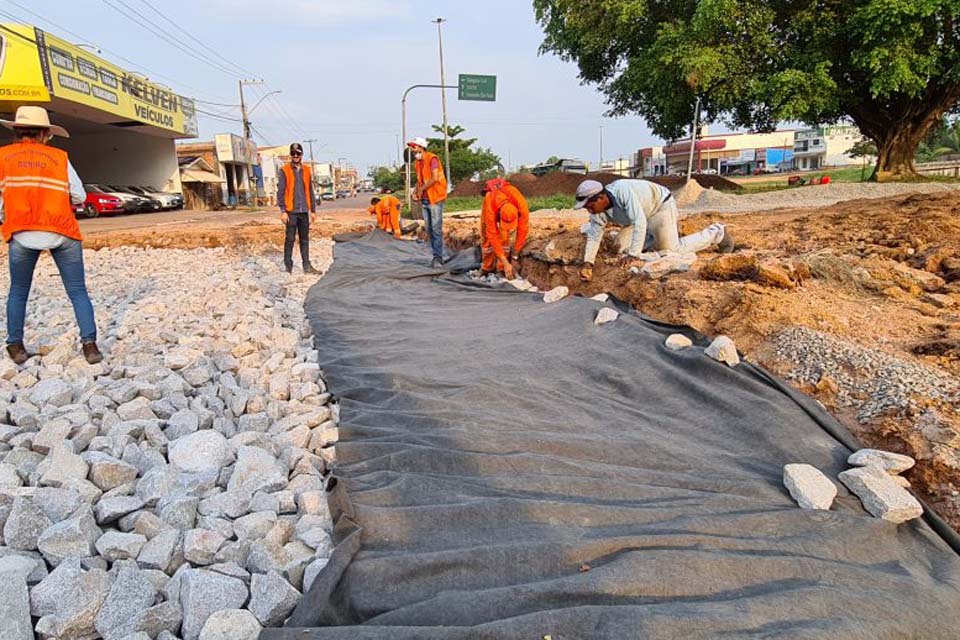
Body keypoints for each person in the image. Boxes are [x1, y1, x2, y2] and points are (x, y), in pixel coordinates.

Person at [0, 106, 101, 365]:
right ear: (45, 133)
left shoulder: (4, 157)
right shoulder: (59, 158)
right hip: (62, 230)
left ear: (17, 131)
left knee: (19, 291)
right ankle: (90, 346)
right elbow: (79, 196)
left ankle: (16, 346)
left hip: (22, 233)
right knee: (77, 291)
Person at [574, 178, 734, 282]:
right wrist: (588, 264)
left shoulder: (622, 190)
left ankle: (717, 233)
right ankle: (652, 239)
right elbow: (594, 237)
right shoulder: (597, 212)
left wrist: (633, 255)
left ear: (601, 197)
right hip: (635, 218)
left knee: (671, 249)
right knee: (620, 248)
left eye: (590, 205)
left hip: (658, 207)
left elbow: (640, 222)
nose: (589, 210)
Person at [277, 142, 319, 274]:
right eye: (293, 154)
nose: (296, 156)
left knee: (304, 239)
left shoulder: (306, 170)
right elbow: (281, 191)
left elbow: (310, 191)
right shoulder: (284, 170)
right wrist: (283, 211)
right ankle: (288, 266)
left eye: (298, 153)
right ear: (291, 155)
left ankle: (307, 266)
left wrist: (312, 210)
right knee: (290, 239)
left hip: (303, 211)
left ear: (301, 155)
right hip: (291, 211)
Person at [408, 137, 447, 267]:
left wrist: (421, 189)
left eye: (414, 147)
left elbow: (435, 178)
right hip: (425, 200)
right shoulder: (417, 163)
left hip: (435, 198)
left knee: (436, 229)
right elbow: (420, 181)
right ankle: (436, 255)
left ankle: (438, 258)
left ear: (421, 147)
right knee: (430, 229)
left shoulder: (432, 159)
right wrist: (416, 192)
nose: (412, 150)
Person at [480, 178, 529, 280]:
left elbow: (523, 230)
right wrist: (506, 262)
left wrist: (515, 256)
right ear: (499, 214)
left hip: (505, 203)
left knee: (504, 236)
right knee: (486, 235)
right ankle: (487, 267)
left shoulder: (521, 205)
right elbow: (492, 234)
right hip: (491, 201)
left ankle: (501, 269)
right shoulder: (490, 201)